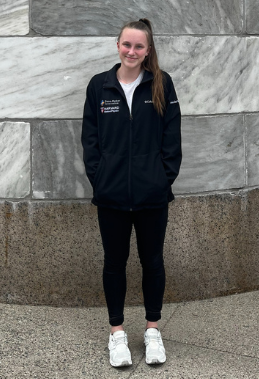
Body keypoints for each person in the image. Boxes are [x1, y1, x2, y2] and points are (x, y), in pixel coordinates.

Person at [81, 18, 182, 368]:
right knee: (114, 263)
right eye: (127, 44)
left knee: (152, 261)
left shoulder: (162, 85)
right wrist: (101, 178)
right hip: (111, 198)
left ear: (148, 50)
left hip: (152, 196)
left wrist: (161, 179)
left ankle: (152, 330)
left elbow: (173, 139)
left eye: (139, 46)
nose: (132, 51)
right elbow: (90, 141)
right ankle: (117, 333)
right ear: (118, 45)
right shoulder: (100, 87)